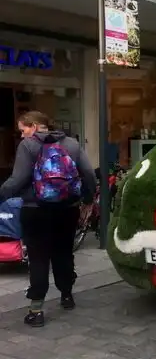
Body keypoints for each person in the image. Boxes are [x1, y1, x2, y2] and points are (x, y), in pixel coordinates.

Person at [0, 111, 96, 327]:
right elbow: (89, 174)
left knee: (38, 258)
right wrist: (88, 199)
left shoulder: (28, 146)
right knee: (63, 253)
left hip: (35, 210)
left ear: (34, 126)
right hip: (67, 209)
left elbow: (17, 180)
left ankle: (36, 310)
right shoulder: (71, 144)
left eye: (23, 129)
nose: (22, 134)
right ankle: (67, 296)